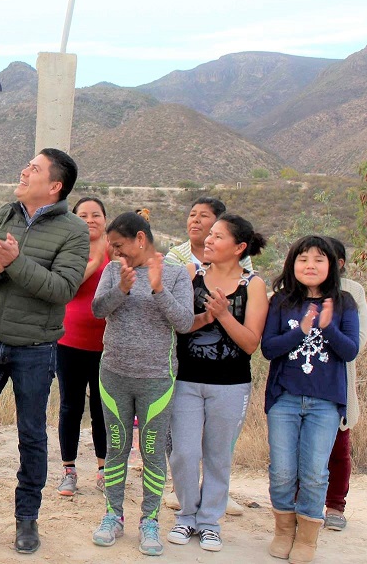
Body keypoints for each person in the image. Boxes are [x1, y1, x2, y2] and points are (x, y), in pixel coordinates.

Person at [0, 148, 89, 554]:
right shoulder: (4, 215)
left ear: (54, 185)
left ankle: (26, 519)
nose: (24, 171)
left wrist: (13, 262)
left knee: (30, 436)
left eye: (34, 168)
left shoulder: (74, 230)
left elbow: (61, 290)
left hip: (36, 348)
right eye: (27, 165)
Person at [91, 211, 194, 556]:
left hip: (156, 379)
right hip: (114, 375)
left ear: (140, 238)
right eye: (112, 249)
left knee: (151, 451)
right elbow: (98, 310)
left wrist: (159, 288)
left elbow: (183, 322)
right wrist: (121, 288)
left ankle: (149, 521)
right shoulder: (112, 271)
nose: (116, 254)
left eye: (120, 246)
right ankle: (113, 516)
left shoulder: (177, 274)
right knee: (116, 447)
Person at [166, 214, 268, 552]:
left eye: (218, 236)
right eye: (209, 235)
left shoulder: (252, 284)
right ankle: (186, 515)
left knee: (217, 455)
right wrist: (206, 317)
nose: (208, 240)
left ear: (239, 248)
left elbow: (252, 343)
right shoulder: (190, 276)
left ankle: (209, 522)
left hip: (231, 384)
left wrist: (223, 315)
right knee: (183, 452)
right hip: (186, 380)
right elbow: (178, 326)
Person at [262, 236, 359, 564]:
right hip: (284, 399)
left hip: (325, 402)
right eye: (303, 259)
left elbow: (349, 351)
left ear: (332, 266)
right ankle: (283, 530)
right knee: (283, 471)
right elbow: (268, 349)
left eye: (319, 259)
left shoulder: (344, 303)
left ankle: (307, 537)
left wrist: (327, 327)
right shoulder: (280, 302)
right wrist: (300, 331)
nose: (310, 265)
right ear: (292, 264)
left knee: (316, 472)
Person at [163, 196, 250, 516]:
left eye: (211, 224)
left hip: (230, 377)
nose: (198, 224)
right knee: (183, 445)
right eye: (193, 216)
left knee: (217, 447)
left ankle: (212, 508)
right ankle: (183, 497)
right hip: (186, 369)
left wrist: (224, 316)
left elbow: (251, 336)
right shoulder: (181, 264)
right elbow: (174, 313)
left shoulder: (247, 277)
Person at [55, 196, 111, 497]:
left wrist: (106, 253)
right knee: (70, 406)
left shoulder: (116, 252)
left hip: (108, 344)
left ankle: (104, 470)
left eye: (96, 214)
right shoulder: (69, 249)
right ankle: (69, 469)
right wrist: (95, 258)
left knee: (103, 408)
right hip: (70, 341)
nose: (90, 219)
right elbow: (68, 286)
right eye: (83, 214)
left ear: (105, 219)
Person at [321, 238, 367, 532]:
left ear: (338, 264)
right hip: (301, 381)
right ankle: (301, 505)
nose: (314, 265)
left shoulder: (352, 291)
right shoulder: (297, 289)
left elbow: (357, 341)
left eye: (322, 258)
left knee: (338, 448)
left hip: (338, 379)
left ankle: (336, 505)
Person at [166, 197, 253, 273]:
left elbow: (248, 286)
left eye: (204, 215)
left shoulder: (237, 255)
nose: (195, 220)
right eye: (192, 215)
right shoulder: (175, 257)